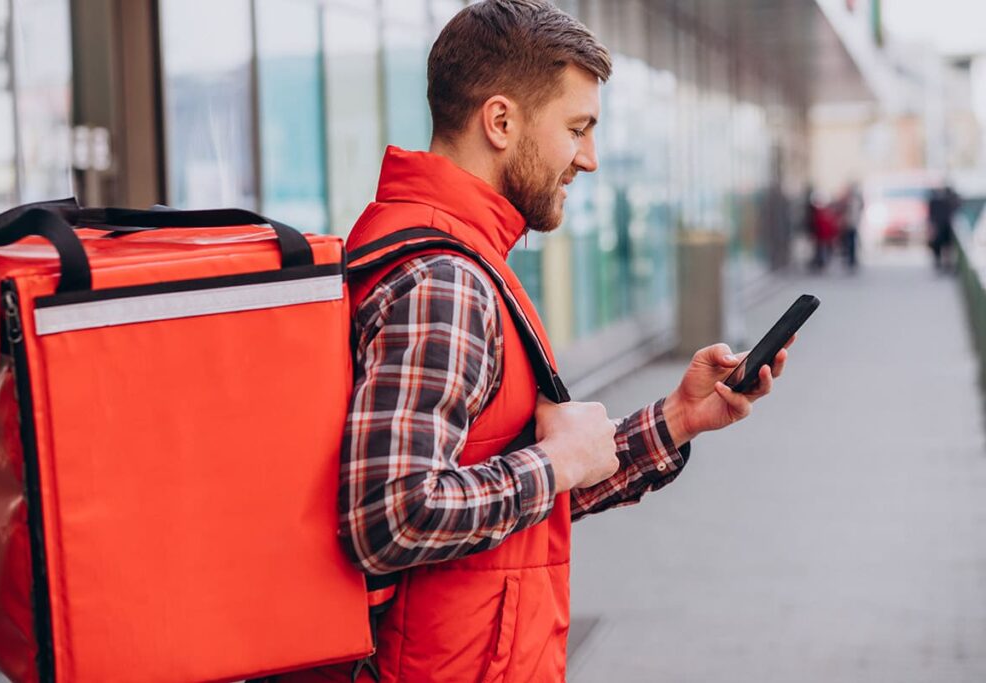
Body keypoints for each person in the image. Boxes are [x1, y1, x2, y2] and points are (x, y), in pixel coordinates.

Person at [277, 2, 789, 681]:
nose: (591, 158)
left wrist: (678, 418)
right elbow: (392, 515)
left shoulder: (451, 251)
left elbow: (506, 495)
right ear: (500, 121)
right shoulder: (445, 280)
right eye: (577, 128)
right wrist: (553, 461)